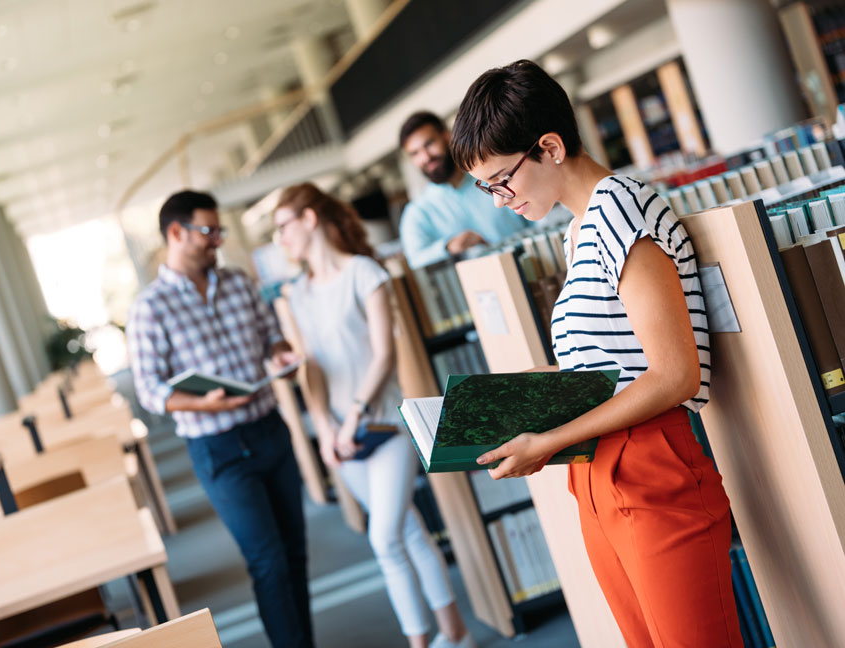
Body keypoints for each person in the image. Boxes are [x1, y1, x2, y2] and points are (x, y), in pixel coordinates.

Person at [450, 61, 743, 648]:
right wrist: (537, 387)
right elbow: (615, 362)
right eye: (486, 188)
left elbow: (675, 373)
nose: (498, 200)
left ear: (550, 147)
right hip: (598, 470)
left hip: (652, 463)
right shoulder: (580, 227)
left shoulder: (623, 211)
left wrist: (551, 440)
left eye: (500, 180)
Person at [274, 183, 475, 648]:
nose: (280, 238)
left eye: (284, 226)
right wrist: (324, 428)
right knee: (406, 528)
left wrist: (353, 417)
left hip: (384, 425)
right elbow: (314, 371)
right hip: (342, 437)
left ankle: (420, 643)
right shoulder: (296, 294)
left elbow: (385, 354)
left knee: (384, 539)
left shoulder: (365, 273)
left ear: (309, 219)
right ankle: (457, 634)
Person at [127, 190, 313, 648]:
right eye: (208, 232)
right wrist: (200, 404)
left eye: (218, 232)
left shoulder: (238, 282)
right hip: (219, 449)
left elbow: (271, 336)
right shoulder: (150, 308)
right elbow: (151, 390)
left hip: (269, 429)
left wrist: (280, 354)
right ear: (176, 233)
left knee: (294, 552)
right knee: (266, 559)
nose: (216, 242)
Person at [398, 110, 533, 268]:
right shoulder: (417, 212)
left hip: (530, 266)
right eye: (415, 153)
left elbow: (538, 219)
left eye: (429, 144)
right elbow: (415, 260)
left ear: (447, 136)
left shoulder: (494, 178)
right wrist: (448, 247)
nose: (426, 157)